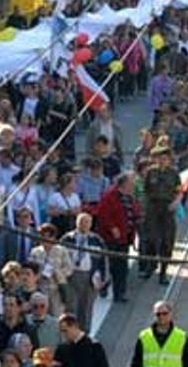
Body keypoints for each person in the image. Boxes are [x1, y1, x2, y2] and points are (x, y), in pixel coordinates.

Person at [94, 173, 140, 303]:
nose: (133, 185)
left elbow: (134, 211)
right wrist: (112, 227)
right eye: (131, 183)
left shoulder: (130, 197)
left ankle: (120, 292)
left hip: (125, 238)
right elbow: (103, 215)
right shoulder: (109, 196)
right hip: (111, 238)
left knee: (122, 266)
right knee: (113, 266)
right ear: (124, 184)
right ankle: (111, 289)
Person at [140, 138, 180, 285]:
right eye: (160, 158)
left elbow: (179, 190)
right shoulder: (151, 172)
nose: (163, 161)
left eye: (165, 158)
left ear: (169, 160)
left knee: (167, 241)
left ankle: (163, 273)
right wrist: (144, 209)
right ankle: (150, 266)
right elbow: (145, 191)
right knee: (150, 239)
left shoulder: (173, 173)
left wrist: (176, 202)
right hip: (153, 208)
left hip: (167, 209)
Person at [58, 213, 105, 333]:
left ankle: (85, 334)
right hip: (71, 276)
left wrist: (103, 279)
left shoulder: (97, 240)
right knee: (71, 306)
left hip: (90, 277)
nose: (84, 225)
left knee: (86, 307)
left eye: (87, 222)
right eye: (82, 222)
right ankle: (69, 332)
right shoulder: (67, 238)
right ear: (77, 223)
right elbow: (59, 257)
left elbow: (103, 261)